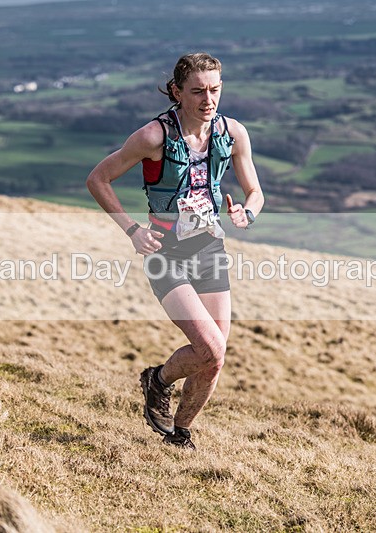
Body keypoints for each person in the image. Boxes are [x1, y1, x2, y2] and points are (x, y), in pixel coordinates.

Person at [86, 52, 263, 450]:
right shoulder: (153, 137)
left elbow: (255, 192)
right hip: (165, 252)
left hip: (209, 248)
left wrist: (246, 214)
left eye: (215, 89)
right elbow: (98, 179)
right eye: (198, 91)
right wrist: (131, 230)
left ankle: (179, 436)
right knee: (209, 347)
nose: (208, 99)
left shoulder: (232, 133)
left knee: (214, 359)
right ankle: (159, 380)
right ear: (177, 92)